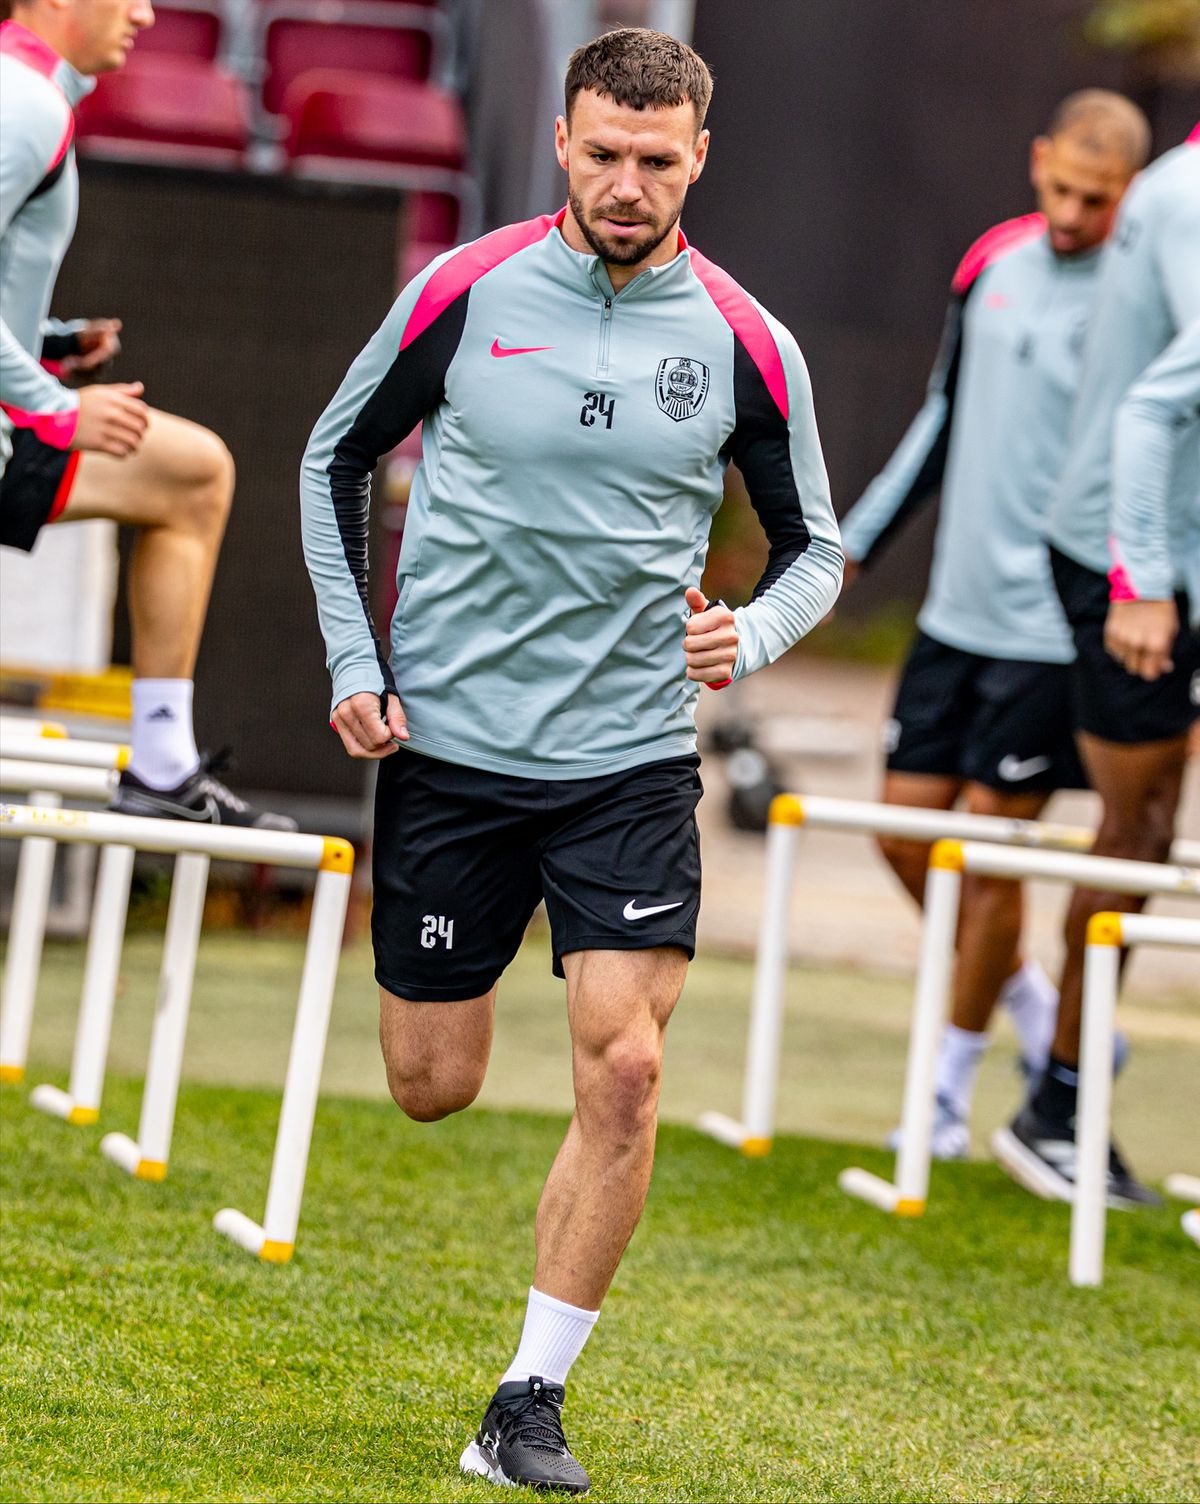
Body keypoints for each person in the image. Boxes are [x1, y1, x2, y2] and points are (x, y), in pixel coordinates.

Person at [300, 27, 842, 1494]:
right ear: (561, 141)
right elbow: (332, 458)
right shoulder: (463, 290)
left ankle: (527, 1398)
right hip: (453, 745)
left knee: (629, 1065)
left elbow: (815, 549)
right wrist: (355, 658)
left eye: (655, 161)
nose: (625, 183)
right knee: (432, 1082)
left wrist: (750, 633)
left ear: (699, 159)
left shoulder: (746, 340)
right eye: (602, 153)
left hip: (629, 758)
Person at [836, 92, 1149, 1157]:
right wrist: (854, 541)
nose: (1071, 215)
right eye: (1060, 189)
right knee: (903, 833)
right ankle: (1026, 998)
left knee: (986, 862)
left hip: (1053, 629)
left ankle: (943, 1103)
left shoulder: (1144, 293)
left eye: (1096, 201)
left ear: (1129, 195)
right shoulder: (991, 261)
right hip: (953, 610)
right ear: (1038, 160)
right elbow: (943, 413)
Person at [0, 0, 292, 830]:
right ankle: (162, 765)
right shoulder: (23, 101)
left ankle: (163, 766)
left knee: (191, 474)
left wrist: (54, 344)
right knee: (195, 473)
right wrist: (57, 406)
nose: (144, 11)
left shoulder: (27, 92)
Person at [993, 124, 1200, 1208]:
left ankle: (1062, 1093)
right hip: (1131, 554)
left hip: (1162, 550)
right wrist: (1141, 580)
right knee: (1134, 831)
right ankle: (1060, 1101)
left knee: (1146, 829)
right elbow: (1156, 408)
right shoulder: (1188, 195)